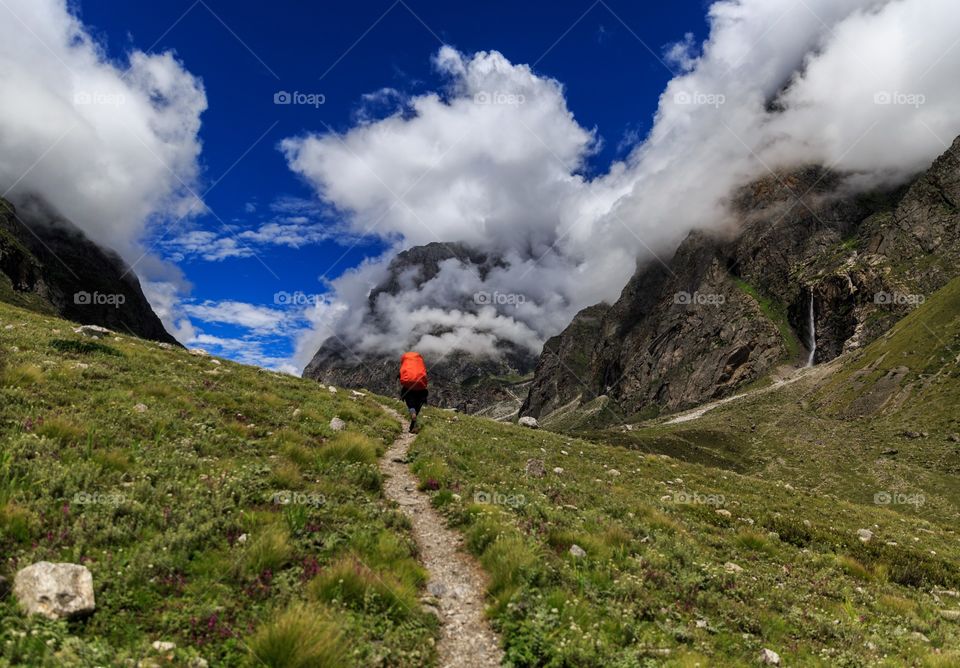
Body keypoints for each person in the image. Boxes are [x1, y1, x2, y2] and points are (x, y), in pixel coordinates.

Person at [398, 351, 428, 433]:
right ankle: (412, 427)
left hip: (408, 389)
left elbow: (401, 377)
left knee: (411, 405)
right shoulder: (420, 366)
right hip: (421, 390)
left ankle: (412, 413)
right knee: (417, 407)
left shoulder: (406, 367)